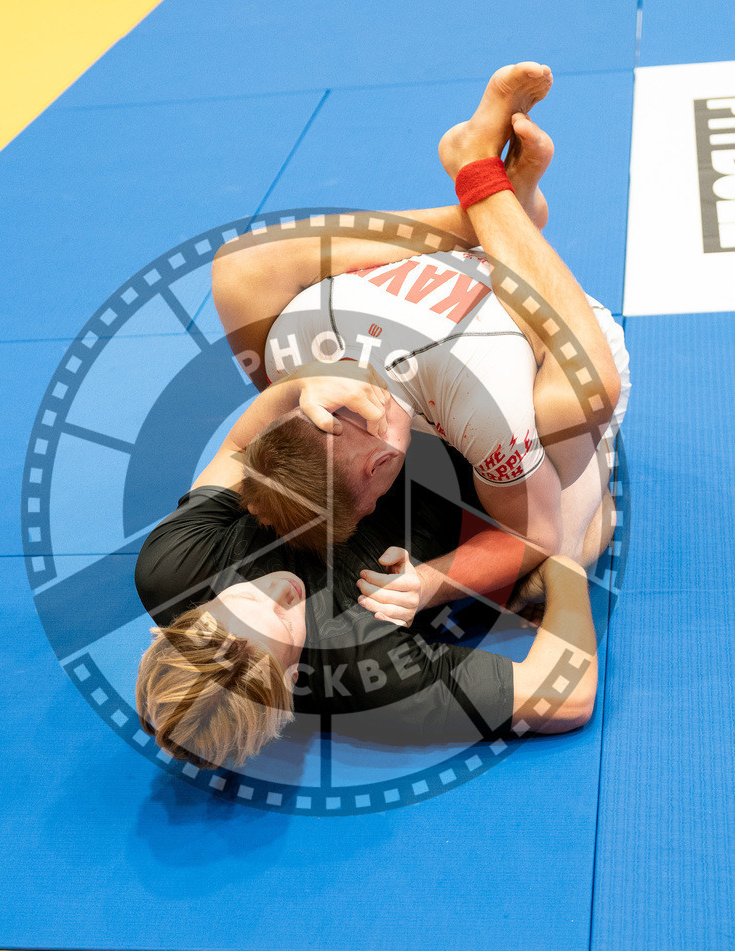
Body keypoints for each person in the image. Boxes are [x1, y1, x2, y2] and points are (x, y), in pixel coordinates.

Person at [135, 64, 604, 770]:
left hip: (341, 429)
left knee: (242, 271)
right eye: (285, 610)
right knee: (579, 399)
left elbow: (239, 444)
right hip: (475, 484)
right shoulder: (360, 671)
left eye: (244, 593)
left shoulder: (172, 571)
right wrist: (552, 560)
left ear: (170, 627)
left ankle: (486, 211)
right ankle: (489, 193)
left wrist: (305, 391)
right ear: (292, 682)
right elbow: (563, 697)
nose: (277, 583)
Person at [212, 63, 630, 622]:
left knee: (556, 536)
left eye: (373, 499)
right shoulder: (290, 340)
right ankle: (496, 213)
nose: (377, 506)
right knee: (241, 269)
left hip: (537, 333)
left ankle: (483, 183)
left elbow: (534, 533)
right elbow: (242, 447)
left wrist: (428, 584)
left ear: (383, 462)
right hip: (441, 314)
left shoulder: (490, 406)